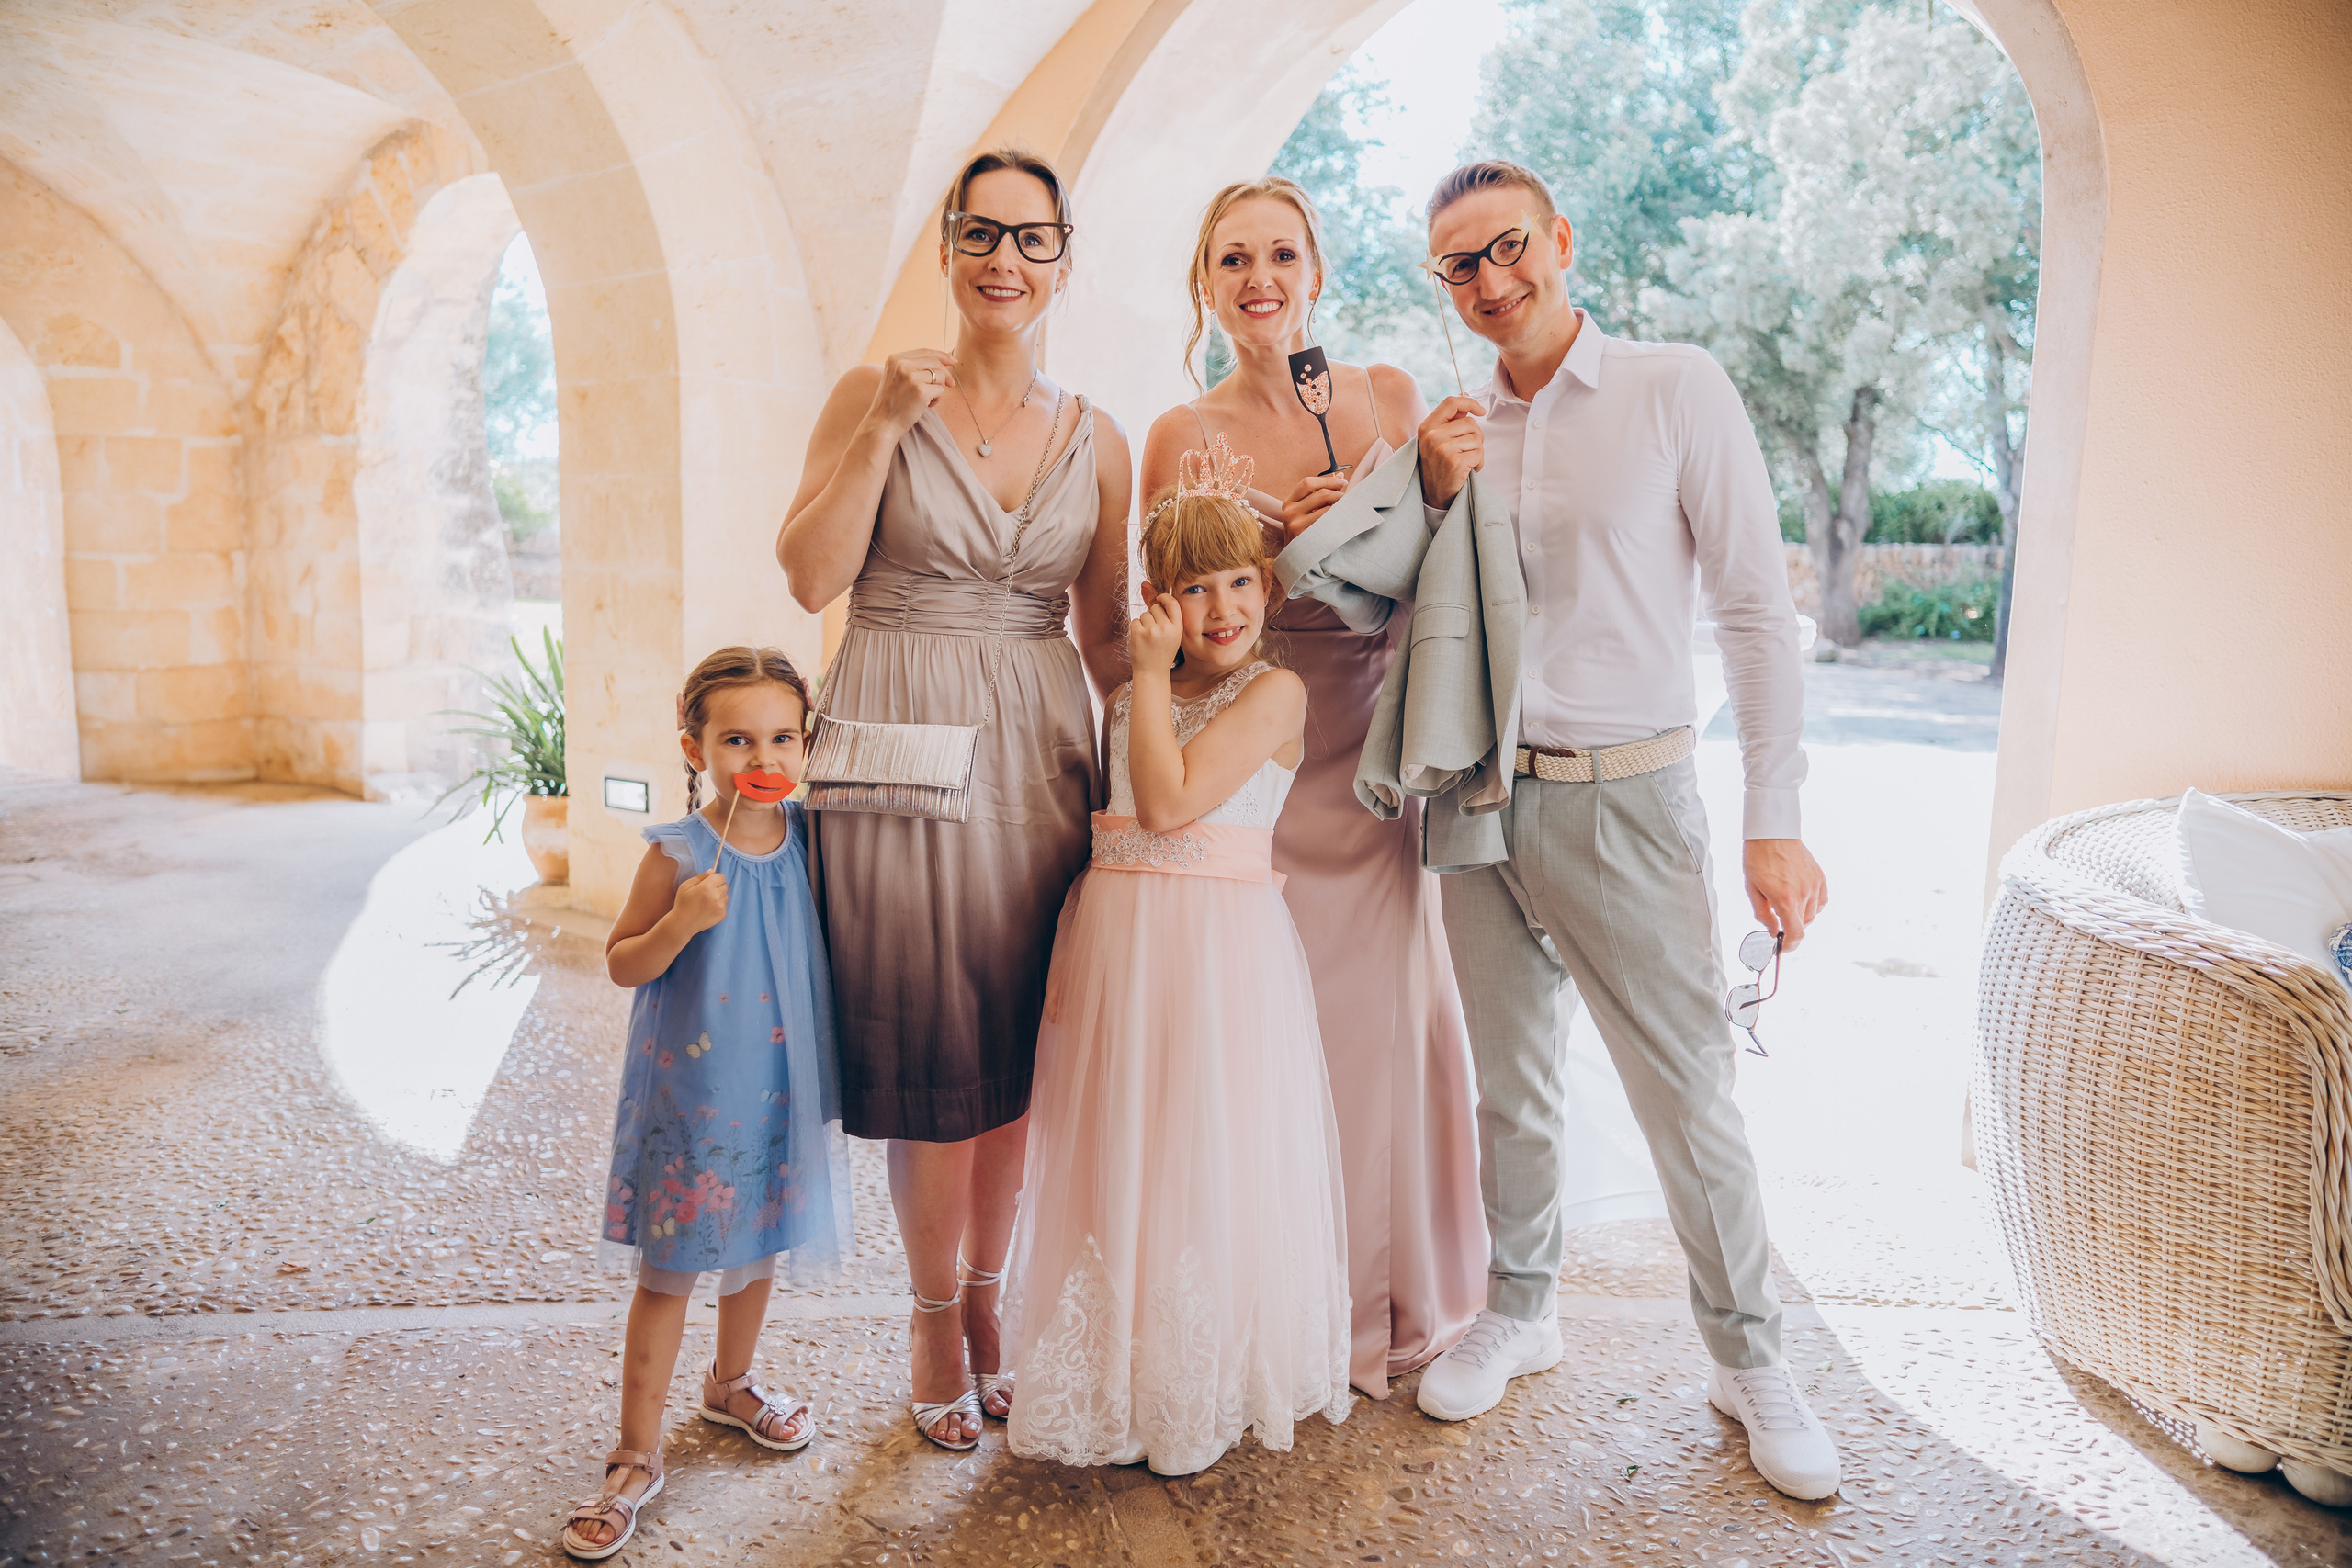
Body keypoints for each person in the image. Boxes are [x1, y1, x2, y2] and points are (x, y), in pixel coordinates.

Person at [1281, 161, 1841, 1501]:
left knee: (1688, 1094)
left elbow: (1758, 612)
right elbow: (1379, 608)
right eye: (1458, 266)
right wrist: (1408, 490)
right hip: (1474, 791)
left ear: (1562, 239)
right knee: (1510, 1082)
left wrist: (1776, 817)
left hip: (1629, 795)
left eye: (1507, 247)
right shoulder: (1460, 427)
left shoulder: (1673, 386)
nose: (1490, 280)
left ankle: (1750, 1354)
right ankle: (1520, 1309)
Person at [775, 148, 1131, 1450]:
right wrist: (879, 427)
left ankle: (992, 1297)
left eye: (1033, 240)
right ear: (946, 247)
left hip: (1041, 750)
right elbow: (813, 574)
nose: (1006, 262)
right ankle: (932, 1313)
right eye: (983, 235)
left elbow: (1105, 642)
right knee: (929, 1049)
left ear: (1063, 259)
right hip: (893, 746)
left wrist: (1221, 677)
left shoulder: (1101, 437)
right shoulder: (872, 397)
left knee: (1020, 1046)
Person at [1139, 177, 1487, 1398]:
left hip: (1380, 740)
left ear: (1318, 270)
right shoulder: (1181, 436)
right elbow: (1173, 622)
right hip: (1267, 747)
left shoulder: (1384, 395)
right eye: (1232, 258)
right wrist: (1272, 560)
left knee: (1385, 1021)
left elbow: (1454, 567)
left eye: (1281, 254)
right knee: (1269, 1026)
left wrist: (1414, 500)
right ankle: (1268, 1295)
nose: (1260, 279)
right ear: (1206, 282)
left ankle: (1389, 1299)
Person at [1003, 458, 1352, 1475]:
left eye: (1240, 580)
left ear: (1268, 586)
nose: (1222, 607)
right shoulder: (1127, 700)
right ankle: (1113, 1378)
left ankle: (1193, 1389)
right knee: (1126, 1140)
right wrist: (1144, 682)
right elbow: (1116, 823)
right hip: (1124, 943)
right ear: (1162, 598)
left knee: (1203, 1145)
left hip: (1213, 954)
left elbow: (1168, 804)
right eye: (1194, 587)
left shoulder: (1274, 692)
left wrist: (1147, 676)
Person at [560, 647, 850, 1560]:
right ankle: (635, 1452)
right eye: (734, 738)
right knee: (670, 1270)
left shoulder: (811, 837)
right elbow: (621, 962)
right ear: (693, 747)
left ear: (804, 746)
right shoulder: (677, 852)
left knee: (759, 1241)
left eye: (779, 736)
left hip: (776, 1086)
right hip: (691, 1096)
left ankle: (732, 1381)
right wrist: (681, 920)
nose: (758, 754)